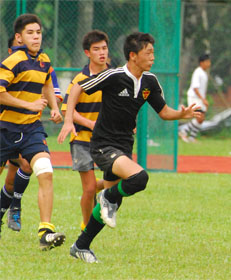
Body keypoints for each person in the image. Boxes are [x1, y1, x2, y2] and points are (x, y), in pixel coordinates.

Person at [58, 31, 200, 263]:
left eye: (153, 52)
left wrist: (182, 114)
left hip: (124, 145)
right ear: (133, 55)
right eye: (148, 52)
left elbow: (164, 112)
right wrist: (67, 119)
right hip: (103, 144)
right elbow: (77, 88)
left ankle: (81, 245)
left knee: (115, 200)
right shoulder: (113, 76)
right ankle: (106, 197)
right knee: (139, 178)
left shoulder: (150, 82)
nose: (153, 57)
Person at [0, 14, 65, 250]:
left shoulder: (44, 60)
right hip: (4, 128)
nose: (36, 36)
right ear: (19, 37)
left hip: (31, 129)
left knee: (45, 171)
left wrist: (55, 108)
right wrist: (29, 104)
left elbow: (47, 82)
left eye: (38, 32)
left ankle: (45, 230)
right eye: (30, 32)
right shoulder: (13, 61)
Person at [61, 30, 108, 231]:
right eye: (96, 49)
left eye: (104, 48)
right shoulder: (80, 80)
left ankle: (99, 195)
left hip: (108, 141)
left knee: (115, 181)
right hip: (82, 139)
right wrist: (91, 124)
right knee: (89, 189)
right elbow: (67, 110)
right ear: (87, 53)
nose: (102, 53)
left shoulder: (114, 77)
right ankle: (86, 230)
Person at [178, 54, 211, 143]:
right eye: (207, 62)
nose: (209, 64)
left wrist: (203, 99)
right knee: (199, 118)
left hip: (199, 98)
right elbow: (195, 88)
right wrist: (203, 99)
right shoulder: (198, 72)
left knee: (201, 119)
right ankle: (183, 131)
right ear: (201, 63)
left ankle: (192, 137)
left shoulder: (204, 73)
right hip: (194, 97)